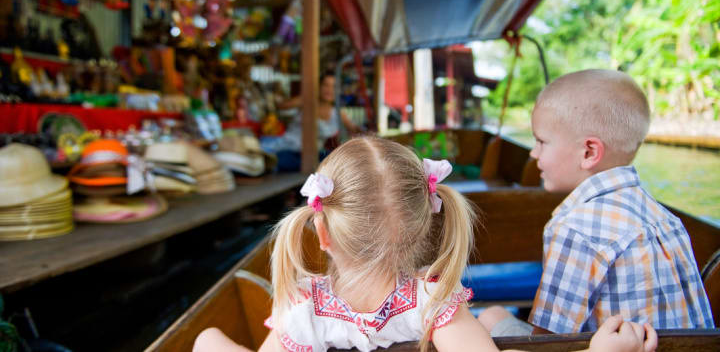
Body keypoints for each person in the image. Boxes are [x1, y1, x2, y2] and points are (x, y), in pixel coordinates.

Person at [194, 136, 657, 352]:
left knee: (208, 339)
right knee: (500, 322)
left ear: (322, 233)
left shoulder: (302, 309)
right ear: (424, 226)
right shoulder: (433, 303)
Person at [478, 69, 714, 337]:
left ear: (589, 152)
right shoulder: (666, 219)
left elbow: (549, 340)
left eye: (542, 142)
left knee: (489, 315)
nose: (533, 153)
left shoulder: (574, 229)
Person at [260, 71, 360, 171]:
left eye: (334, 87)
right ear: (319, 87)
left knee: (335, 160)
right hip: (287, 151)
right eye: (326, 85)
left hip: (311, 156)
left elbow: (355, 131)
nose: (329, 90)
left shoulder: (338, 113)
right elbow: (279, 106)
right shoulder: (306, 100)